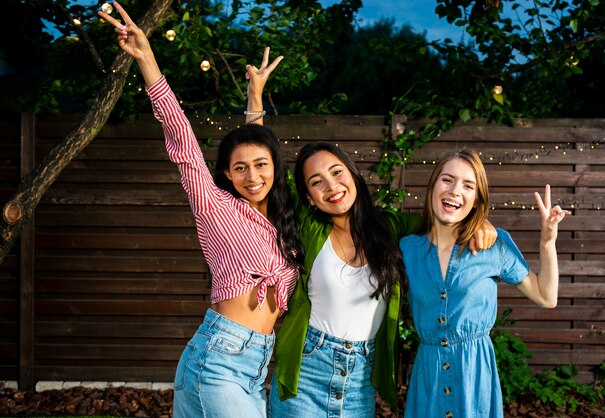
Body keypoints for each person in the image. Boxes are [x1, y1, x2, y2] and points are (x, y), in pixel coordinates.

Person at [98, 3, 303, 416]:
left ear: (275, 168)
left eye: (261, 166)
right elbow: (181, 137)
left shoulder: (283, 220)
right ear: (226, 174)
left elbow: (255, 146)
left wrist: (255, 97)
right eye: (239, 169)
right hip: (219, 359)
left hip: (256, 364)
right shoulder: (214, 206)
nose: (252, 176)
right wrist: (147, 59)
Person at [268, 143, 498, 417]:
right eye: (317, 182)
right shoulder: (308, 226)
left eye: (337, 172)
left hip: (360, 380)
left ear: (354, 176)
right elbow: (266, 174)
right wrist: (254, 104)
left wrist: (482, 222)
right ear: (308, 197)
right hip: (307, 373)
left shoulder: (391, 228)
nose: (331, 185)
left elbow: (445, 222)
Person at [399, 149, 570, 418]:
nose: (455, 190)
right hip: (427, 380)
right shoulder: (407, 248)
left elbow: (546, 297)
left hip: (475, 377)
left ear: (477, 200)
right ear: (433, 186)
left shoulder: (495, 245)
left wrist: (547, 242)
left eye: (468, 185)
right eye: (447, 180)